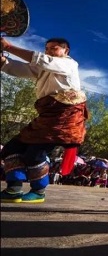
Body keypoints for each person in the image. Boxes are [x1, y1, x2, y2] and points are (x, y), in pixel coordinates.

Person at [0, 37, 87, 203]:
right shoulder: (44, 67)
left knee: (35, 154)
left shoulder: (69, 64)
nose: (49, 51)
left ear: (65, 51)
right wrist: (3, 61)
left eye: (54, 48)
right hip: (46, 116)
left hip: (64, 117)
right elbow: (19, 68)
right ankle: (13, 189)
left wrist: (9, 47)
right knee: (11, 149)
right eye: (47, 48)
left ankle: (39, 191)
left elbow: (42, 60)